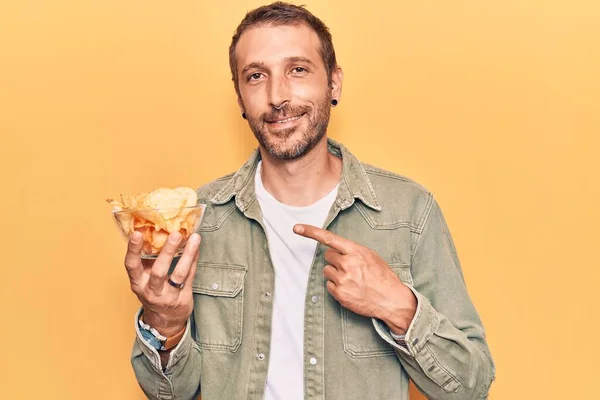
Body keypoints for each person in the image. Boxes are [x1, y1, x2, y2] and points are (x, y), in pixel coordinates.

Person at [125, 2, 495, 399]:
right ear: (239, 99)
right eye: (255, 76)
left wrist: (398, 306)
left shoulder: (408, 213)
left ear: (334, 84)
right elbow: (170, 394)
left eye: (297, 70)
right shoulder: (199, 219)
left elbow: (470, 387)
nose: (277, 96)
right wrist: (166, 324)